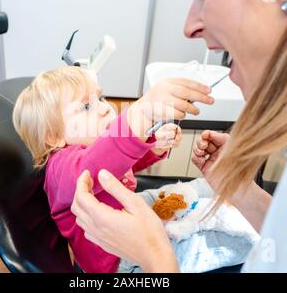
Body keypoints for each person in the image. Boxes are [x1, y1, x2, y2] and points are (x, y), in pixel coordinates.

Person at [71, 0, 287, 272]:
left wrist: (156, 259)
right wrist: (240, 190)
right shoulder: (64, 163)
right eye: (86, 106)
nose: (190, 28)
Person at [12, 66, 216, 272]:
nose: (104, 108)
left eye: (100, 98)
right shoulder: (60, 167)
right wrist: (139, 116)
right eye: (85, 107)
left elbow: (121, 163)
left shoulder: (96, 142)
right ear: (53, 137)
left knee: (189, 190)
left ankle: (219, 189)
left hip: (127, 216)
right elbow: (97, 164)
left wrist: (155, 146)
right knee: (202, 249)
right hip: (116, 260)